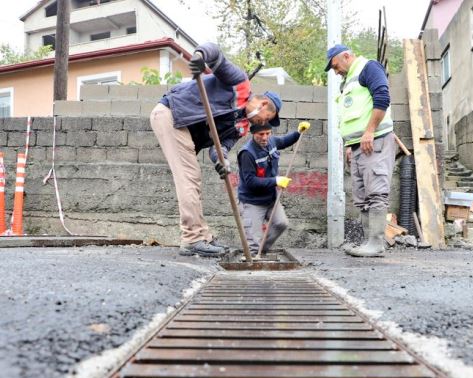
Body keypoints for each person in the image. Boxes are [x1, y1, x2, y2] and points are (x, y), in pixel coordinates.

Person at [150, 42, 282, 257]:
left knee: (193, 179)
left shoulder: (243, 127)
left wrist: (223, 162)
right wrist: (199, 56)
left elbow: (219, 149)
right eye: (266, 118)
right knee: (189, 177)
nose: (262, 123)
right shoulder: (239, 83)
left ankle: (202, 236)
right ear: (264, 104)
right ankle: (193, 239)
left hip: (183, 128)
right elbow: (215, 53)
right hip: (171, 114)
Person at [325, 44, 396, 257]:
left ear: (346, 56)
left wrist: (370, 132)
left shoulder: (368, 68)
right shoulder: (348, 82)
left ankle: (376, 243)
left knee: (376, 192)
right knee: (362, 196)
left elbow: (382, 97)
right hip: (358, 145)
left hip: (375, 141)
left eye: (336, 66)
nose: (336, 72)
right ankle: (368, 242)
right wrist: (349, 145)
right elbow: (349, 117)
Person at [234, 121, 310, 256]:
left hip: (270, 198)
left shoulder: (271, 142)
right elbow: (250, 182)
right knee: (253, 244)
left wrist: (298, 132)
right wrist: (276, 180)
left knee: (281, 223)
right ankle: (253, 262)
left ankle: (261, 251)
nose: (264, 137)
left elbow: (285, 141)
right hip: (252, 202)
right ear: (253, 134)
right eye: (260, 134)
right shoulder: (247, 153)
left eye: (267, 133)